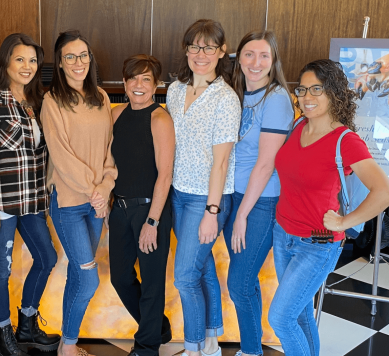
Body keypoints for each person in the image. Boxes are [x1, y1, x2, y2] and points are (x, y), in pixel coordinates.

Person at [270, 59, 389, 356]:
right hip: (283, 234)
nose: (307, 97)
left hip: (317, 244)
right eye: (302, 89)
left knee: (281, 319)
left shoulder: (345, 141)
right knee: (300, 314)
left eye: (317, 89)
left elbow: (383, 191)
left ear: (334, 93)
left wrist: (344, 221)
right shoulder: (298, 126)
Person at [0, 33, 59, 356]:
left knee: (47, 257)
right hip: (1, 205)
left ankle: (27, 323)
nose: (27, 66)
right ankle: (2, 334)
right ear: (6, 62)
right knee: (0, 270)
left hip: (32, 200)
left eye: (33, 60)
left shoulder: (39, 102)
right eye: (20, 59)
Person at [165, 19, 241, 356]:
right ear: (186, 49)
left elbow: (221, 163)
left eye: (209, 47)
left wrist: (212, 212)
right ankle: (211, 339)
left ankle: (193, 348)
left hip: (207, 199)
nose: (201, 53)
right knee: (201, 266)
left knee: (184, 276)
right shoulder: (175, 90)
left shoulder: (225, 99)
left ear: (222, 51)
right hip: (177, 194)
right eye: (195, 46)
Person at [41, 29, 117, 356]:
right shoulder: (51, 101)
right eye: (70, 57)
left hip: (97, 203)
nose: (78, 62)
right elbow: (60, 155)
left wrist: (105, 187)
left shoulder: (100, 97)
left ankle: (66, 345)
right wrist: (92, 189)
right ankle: (68, 346)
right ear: (59, 63)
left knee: (77, 272)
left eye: (83, 55)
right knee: (88, 279)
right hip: (70, 203)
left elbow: (110, 150)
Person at [222, 30, 294, 356]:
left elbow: (266, 165)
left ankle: (251, 352)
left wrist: (241, 214)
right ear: (239, 59)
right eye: (249, 54)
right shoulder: (236, 94)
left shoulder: (277, 98)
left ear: (273, 61)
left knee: (238, 283)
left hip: (260, 202)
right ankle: (251, 349)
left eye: (264, 55)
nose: (256, 62)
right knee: (245, 280)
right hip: (232, 195)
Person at [108, 54, 175, 356]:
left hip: (151, 210)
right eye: (132, 78)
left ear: (156, 85)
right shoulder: (116, 114)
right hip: (120, 209)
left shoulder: (160, 119)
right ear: (124, 82)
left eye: (146, 79)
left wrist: (152, 222)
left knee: (151, 284)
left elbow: (165, 175)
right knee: (120, 277)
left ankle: (147, 347)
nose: (138, 85)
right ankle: (158, 327)